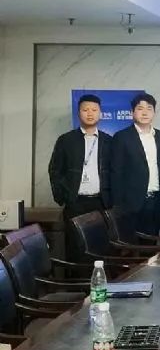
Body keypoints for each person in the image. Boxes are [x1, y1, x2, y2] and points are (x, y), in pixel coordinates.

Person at [48, 94, 112, 260]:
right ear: (78, 113)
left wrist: (111, 201)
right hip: (75, 203)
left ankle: (98, 276)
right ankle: (75, 277)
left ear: (100, 113)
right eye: (85, 110)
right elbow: (55, 170)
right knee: (75, 248)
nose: (90, 113)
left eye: (94, 110)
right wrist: (63, 197)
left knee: (100, 248)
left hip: (101, 203)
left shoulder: (108, 141)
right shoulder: (66, 140)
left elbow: (115, 172)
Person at [111, 93, 160, 237]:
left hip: (156, 201)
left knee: (152, 243)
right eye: (140, 108)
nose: (145, 112)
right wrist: (118, 204)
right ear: (132, 112)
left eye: (149, 108)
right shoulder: (122, 137)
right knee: (131, 244)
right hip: (131, 204)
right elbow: (116, 172)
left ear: (154, 112)